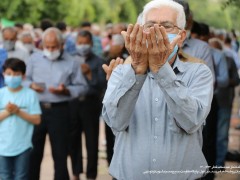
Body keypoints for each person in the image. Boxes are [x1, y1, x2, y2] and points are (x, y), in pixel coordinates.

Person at [102, 0, 213, 179]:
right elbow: (115, 122)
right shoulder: (121, 72)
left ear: (182, 36)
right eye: (150, 25)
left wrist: (161, 69)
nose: (156, 32)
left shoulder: (199, 72)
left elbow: (192, 121)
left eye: (166, 26)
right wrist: (137, 71)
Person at [25, 27, 88, 180]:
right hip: (36, 110)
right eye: (47, 46)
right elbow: (24, 79)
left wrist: (66, 91)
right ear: (42, 45)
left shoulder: (72, 61)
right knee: (33, 153)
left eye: (54, 46)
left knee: (60, 155)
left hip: (60, 110)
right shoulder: (34, 58)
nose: (51, 50)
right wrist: (31, 85)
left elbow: (83, 87)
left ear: (62, 44)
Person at [69, 30, 106, 180]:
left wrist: (89, 74)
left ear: (91, 43)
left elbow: (102, 86)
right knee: (73, 139)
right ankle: (76, 173)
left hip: (90, 104)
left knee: (92, 141)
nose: (82, 46)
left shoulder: (99, 61)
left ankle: (91, 175)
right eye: (80, 43)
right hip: (73, 103)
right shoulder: (71, 60)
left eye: (85, 43)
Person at [0, 58, 41, 179]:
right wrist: (8, 111)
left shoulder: (30, 94)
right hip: (2, 146)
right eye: (9, 74)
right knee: (4, 176)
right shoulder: (1, 94)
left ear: (23, 76)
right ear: (3, 74)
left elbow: (37, 120)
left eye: (17, 74)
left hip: (23, 146)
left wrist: (18, 111)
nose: (12, 77)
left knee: (21, 176)